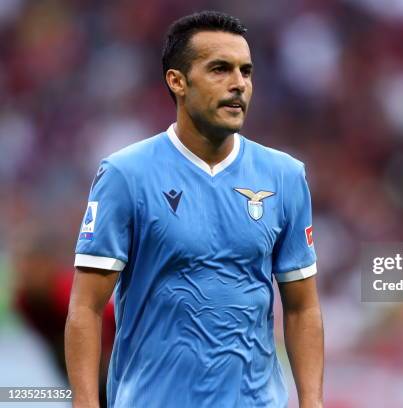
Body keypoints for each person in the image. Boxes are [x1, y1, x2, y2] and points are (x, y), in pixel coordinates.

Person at [65, 11, 324, 408]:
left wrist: (312, 403)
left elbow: (303, 307)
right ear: (177, 81)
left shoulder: (285, 176)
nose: (239, 84)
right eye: (220, 69)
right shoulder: (126, 175)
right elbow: (85, 308)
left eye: (246, 71)